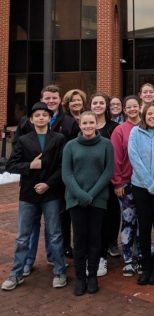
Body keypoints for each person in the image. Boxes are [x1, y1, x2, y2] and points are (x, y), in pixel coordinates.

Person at [15, 85, 79, 275]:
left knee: (55, 227)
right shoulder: (26, 125)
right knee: (29, 228)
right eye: (48, 98)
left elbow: (68, 155)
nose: (51, 101)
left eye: (54, 98)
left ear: (60, 99)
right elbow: (16, 156)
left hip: (54, 184)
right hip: (29, 186)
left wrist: (52, 181)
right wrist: (28, 167)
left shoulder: (67, 123)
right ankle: (27, 262)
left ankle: (54, 258)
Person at [2, 102, 67, 291]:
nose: (40, 118)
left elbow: (61, 166)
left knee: (54, 234)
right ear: (31, 119)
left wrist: (48, 184)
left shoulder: (58, 138)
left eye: (44, 115)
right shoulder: (23, 140)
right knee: (23, 236)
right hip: (28, 195)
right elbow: (11, 165)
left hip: (51, 193)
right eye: (37, 115)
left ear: (49, 118)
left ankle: (59, 271)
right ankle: (16, 273)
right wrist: (29, 166)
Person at [62, 111, 114, 296]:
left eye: (91, 122)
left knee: (95, 239)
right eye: (85, 123)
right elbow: (66, 174)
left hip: (97, 200)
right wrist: (81, 195)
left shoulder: (106, 145)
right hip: (76, 200)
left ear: (95, 123)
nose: (88, 126)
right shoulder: (70, 146)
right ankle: (80, 278)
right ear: (80, 124)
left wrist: (90, 195)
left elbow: (108, 172)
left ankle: (92, 276)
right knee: (79, 240)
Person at [128, 103, 154, 285]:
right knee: (144, 227)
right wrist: (149, 182)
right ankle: (146, 266)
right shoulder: (135, 132)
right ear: (143, 116)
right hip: (140, 186)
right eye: (149, 114)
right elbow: (133, 157)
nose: (152, 116)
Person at [111, 95, 143, 277]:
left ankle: (141, 255)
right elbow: (115, 159)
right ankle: (128, 258)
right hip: (126, 183)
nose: (132, 109)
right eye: (128, 107)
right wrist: (117, 182)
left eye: (135, 106)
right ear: (124, 110)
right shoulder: (120, 130)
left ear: (140, 107)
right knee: (129, 221)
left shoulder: (147, 126)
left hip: (144, 183)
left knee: (143, 221)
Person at [89, 92, 121, 277]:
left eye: (102, 103)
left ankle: (110, 244)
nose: (98, 105)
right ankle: (95, 253)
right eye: (95, 102)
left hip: (110, 180)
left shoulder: (113, 127)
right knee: (95, 218)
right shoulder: (86, 126)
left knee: (111, 214)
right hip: (90, 181)